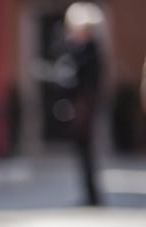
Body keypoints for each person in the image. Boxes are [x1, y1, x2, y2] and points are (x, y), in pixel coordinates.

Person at [55, 2, 105, 206]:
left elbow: (88, 81)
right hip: (79, 104)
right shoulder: (78, 49)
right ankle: (90, 194)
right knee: (82, 153)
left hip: (85, 106)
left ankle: (92, 196)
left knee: (87, 152)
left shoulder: (90, 51)